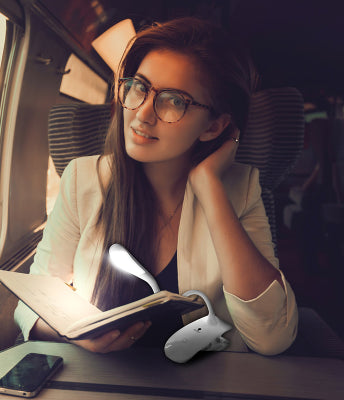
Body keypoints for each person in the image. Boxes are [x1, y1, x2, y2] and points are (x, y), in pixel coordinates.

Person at [15, 17, 298, 355]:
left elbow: (272, 337)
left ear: (213, 127)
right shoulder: (82, 179)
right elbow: (33, 303)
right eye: (139, 87)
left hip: (204, 381)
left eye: (174, 100)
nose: (142, 114)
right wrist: (73, 333)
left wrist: (209, 186)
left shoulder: (241, 188)